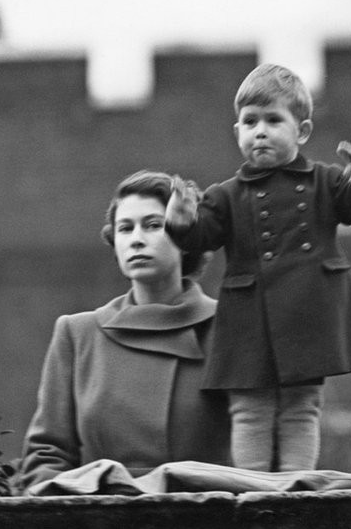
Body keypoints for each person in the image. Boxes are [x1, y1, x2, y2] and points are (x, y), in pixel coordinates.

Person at [164, 63, 351, 472]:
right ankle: (254, 491)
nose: (260, 131)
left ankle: (295, 490)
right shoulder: (226, 195)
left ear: (301, 132)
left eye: (273, 120)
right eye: (250, 122)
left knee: (301, 407)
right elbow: (200, 239)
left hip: (308, 312)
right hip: (250, 318)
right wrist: (181, 219)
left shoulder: (324, 181)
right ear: (237, 133)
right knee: (250, 409)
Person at [17, 170, 230, 493]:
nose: (136, 239)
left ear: (188, 235)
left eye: (154, 225)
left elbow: (262, 448)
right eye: (125, 228)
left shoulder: (229, 327)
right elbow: (46, 457)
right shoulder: (78, 334)